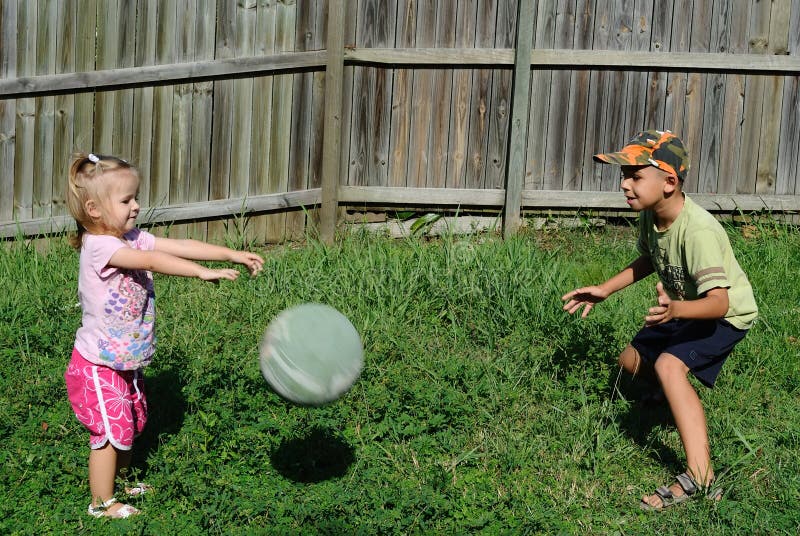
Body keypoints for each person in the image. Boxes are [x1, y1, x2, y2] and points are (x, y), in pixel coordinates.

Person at [561, 130, 757, 511]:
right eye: (625, 175)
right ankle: (672, 401)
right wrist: (605, 288)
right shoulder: (652, 216)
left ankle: (701, 478)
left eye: (635, 175)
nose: (624, 184)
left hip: (725, 315)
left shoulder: (698, 231)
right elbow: (650, 259)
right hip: (683, 306)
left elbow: (719, 303)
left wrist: (677, 310)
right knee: (629, 362)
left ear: (669, 182)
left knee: (669, 367)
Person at [64, 153, 264, 518]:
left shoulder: (131, 237)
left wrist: (231, 253)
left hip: (125, 360)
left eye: (135, 197)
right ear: (93, 208)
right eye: (126, 200)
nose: (136, 206)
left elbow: (180, 245)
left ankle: (121, 483)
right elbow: (154, 262)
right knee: (111, 432)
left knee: (132, 422)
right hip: (97, 365)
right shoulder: (101, 246)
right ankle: (101, 503)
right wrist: (202, 273)